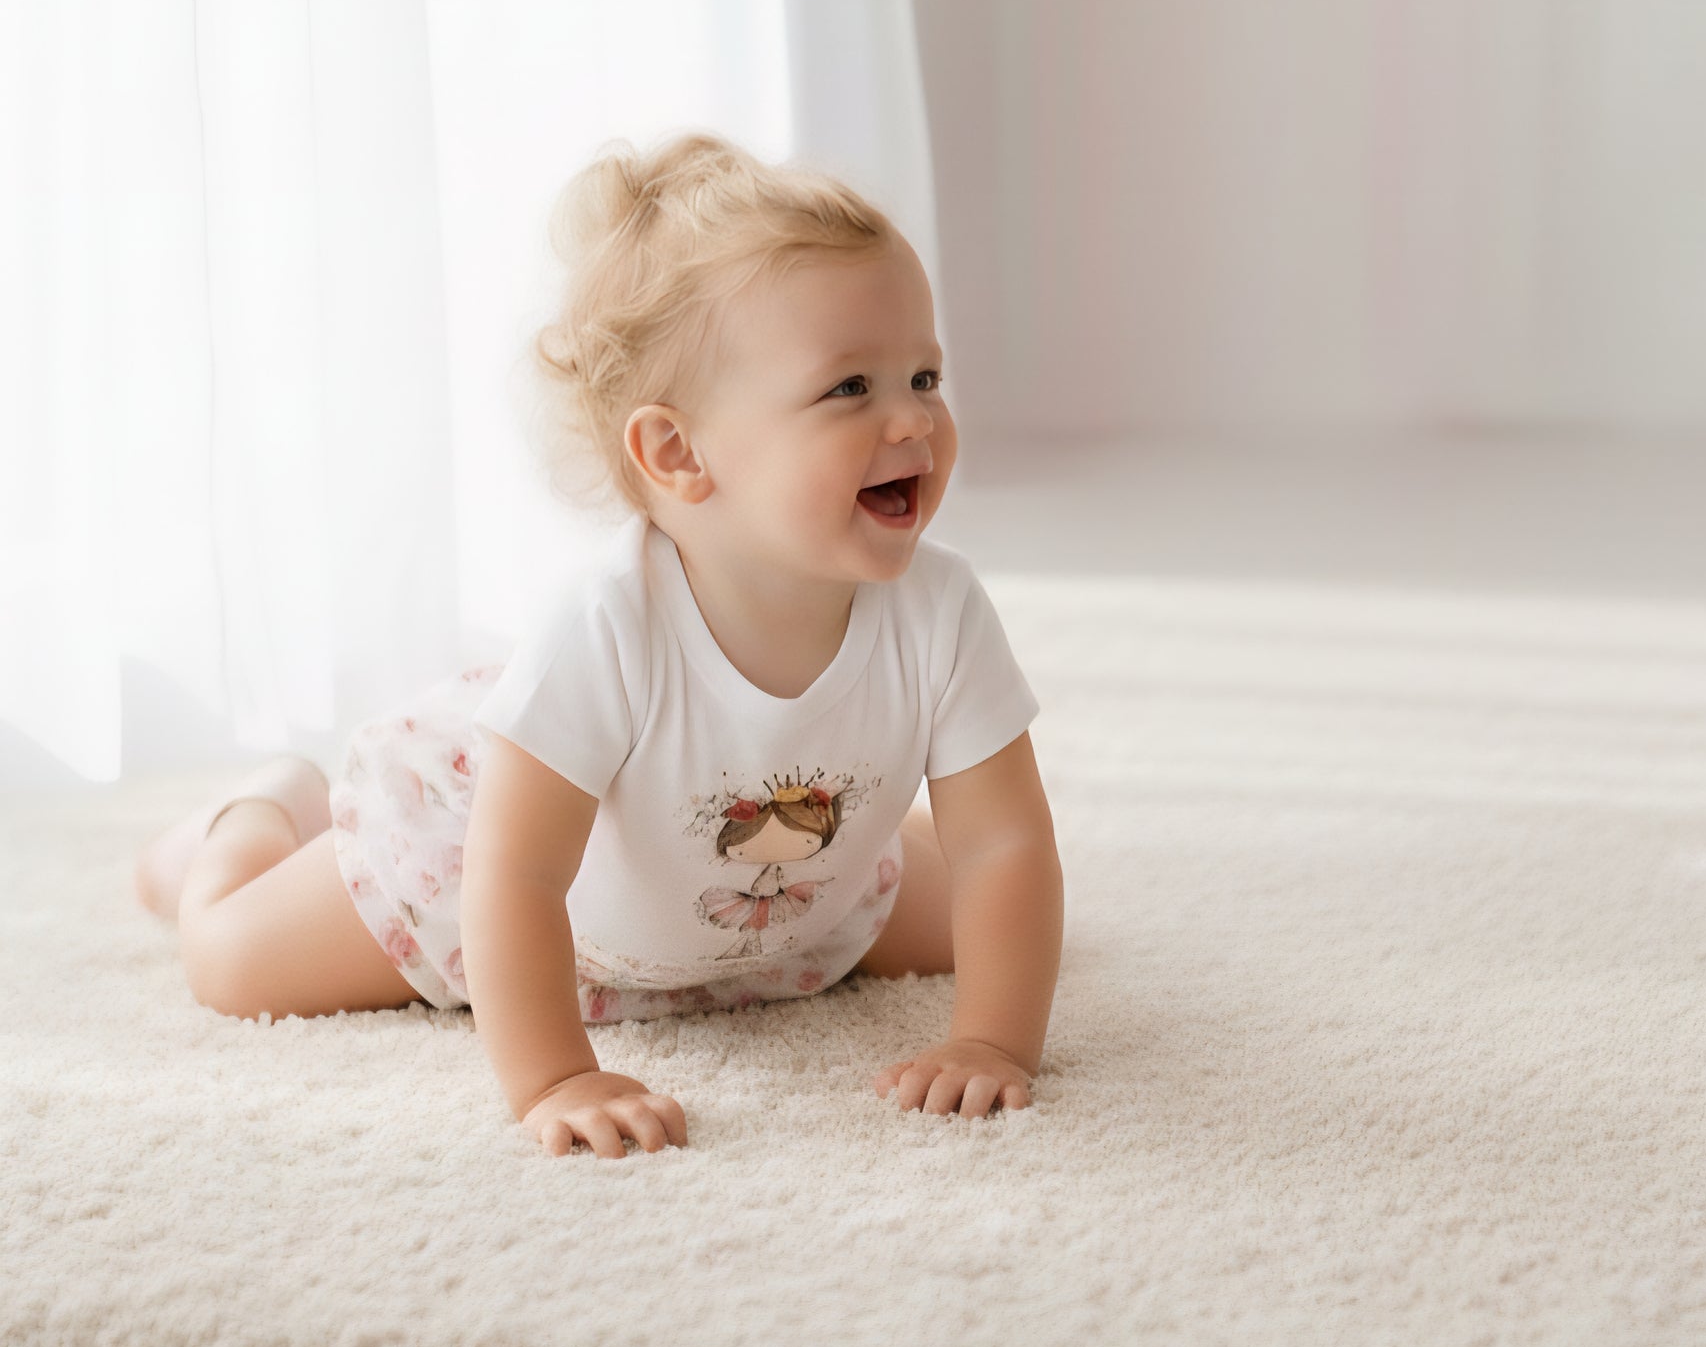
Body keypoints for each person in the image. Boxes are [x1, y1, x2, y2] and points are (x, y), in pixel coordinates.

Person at [132, 130, 1064, 1158]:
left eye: (924, 376)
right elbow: (514, 876)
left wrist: (991, 1038)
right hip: (514, 891)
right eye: (851, 388)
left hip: (785, 902)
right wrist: (556, 1075)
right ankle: (252, 816)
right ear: (676, 451)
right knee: (227, 961)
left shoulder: (941, 608)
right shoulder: (604, 626)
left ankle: (856, 866)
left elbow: (1004, 844)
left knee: (1006, 913)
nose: (914, 422)